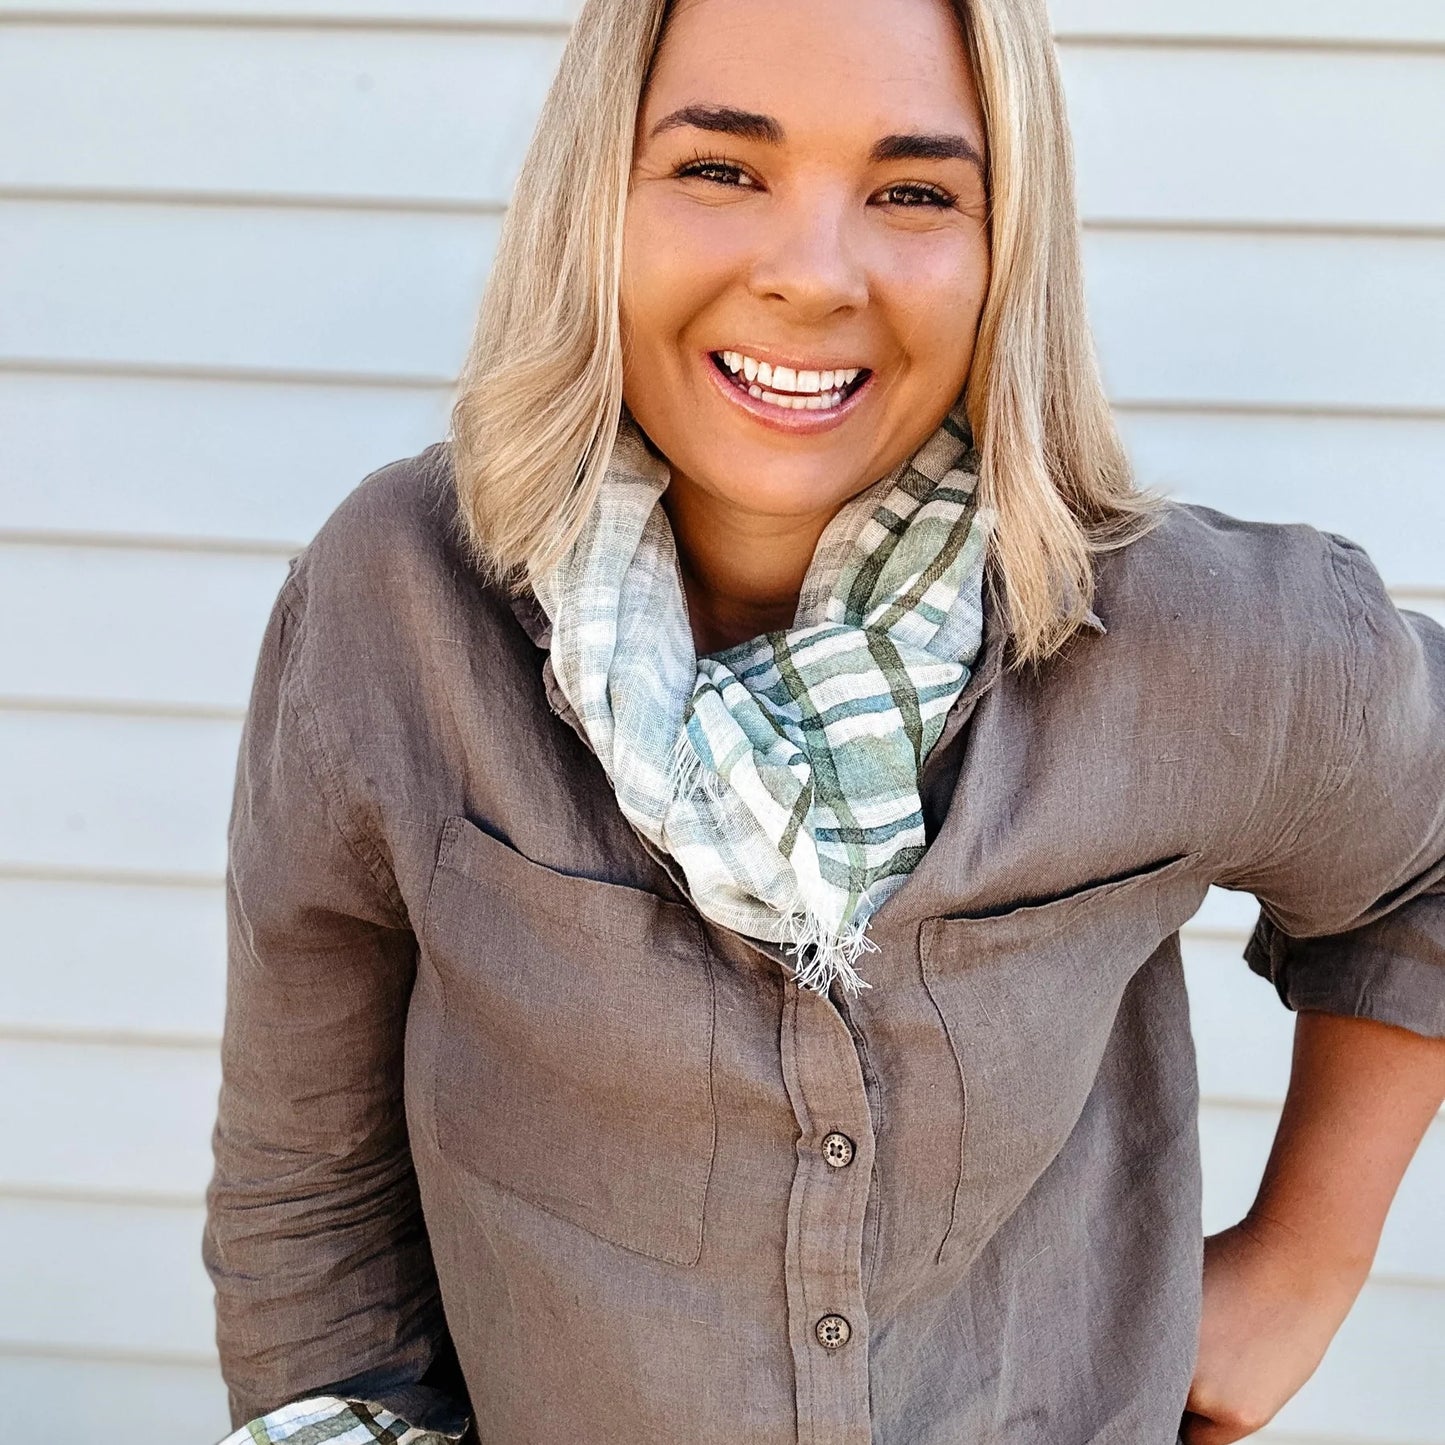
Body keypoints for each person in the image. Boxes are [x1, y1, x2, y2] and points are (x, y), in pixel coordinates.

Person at [202, 0, 1445, 1441]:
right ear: (595, 193)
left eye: (914, 191)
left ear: (1005, 247)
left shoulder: (1191, 641)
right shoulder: (400, 602)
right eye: (720, 169)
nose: (811, 274)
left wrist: (1303, 1262)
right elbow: (307, 1196)